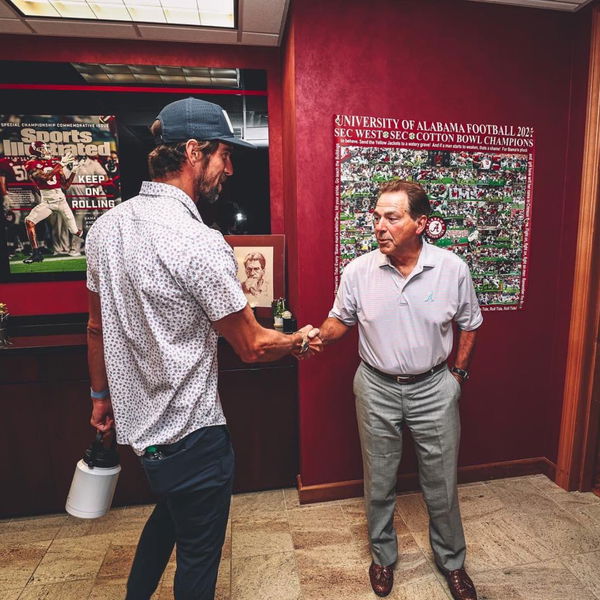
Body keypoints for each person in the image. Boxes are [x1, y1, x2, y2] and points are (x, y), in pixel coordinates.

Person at [85, 97, 320, 600]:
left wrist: (99, 399)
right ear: (193, 151)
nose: (230, 168)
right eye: (223, 155)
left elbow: (94, 327)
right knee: (198, 559)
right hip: (193, 436)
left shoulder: (104, 229)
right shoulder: (200, 241)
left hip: (143, 435)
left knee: (169, 516)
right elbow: (254, 346)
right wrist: (299, 339)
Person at [315, 180, 482, 599]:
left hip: (433, 388)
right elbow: (339, 322)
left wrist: (457, 377)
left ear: (420, 223)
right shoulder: (358, 271)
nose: (380, 227)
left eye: (392, 217)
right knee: (380, 480)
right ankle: (383, 558)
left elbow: (471, 323)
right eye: (377, 217)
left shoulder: (452, 269)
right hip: (375, 387)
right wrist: (308, 339)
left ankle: (452, 563)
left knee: (441, 484)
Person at [22, 141, 83, 264]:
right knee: (29, 221)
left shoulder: (54, 162)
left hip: (61, 200)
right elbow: (45, 178)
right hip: (47, 202)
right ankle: (36, 254)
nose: (47, 151)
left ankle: (96, 242)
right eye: (43, 149)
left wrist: (74, 171)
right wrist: (61, 164)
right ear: (37, 151)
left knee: (75, 231)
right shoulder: (31, 164)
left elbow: (65, 186)